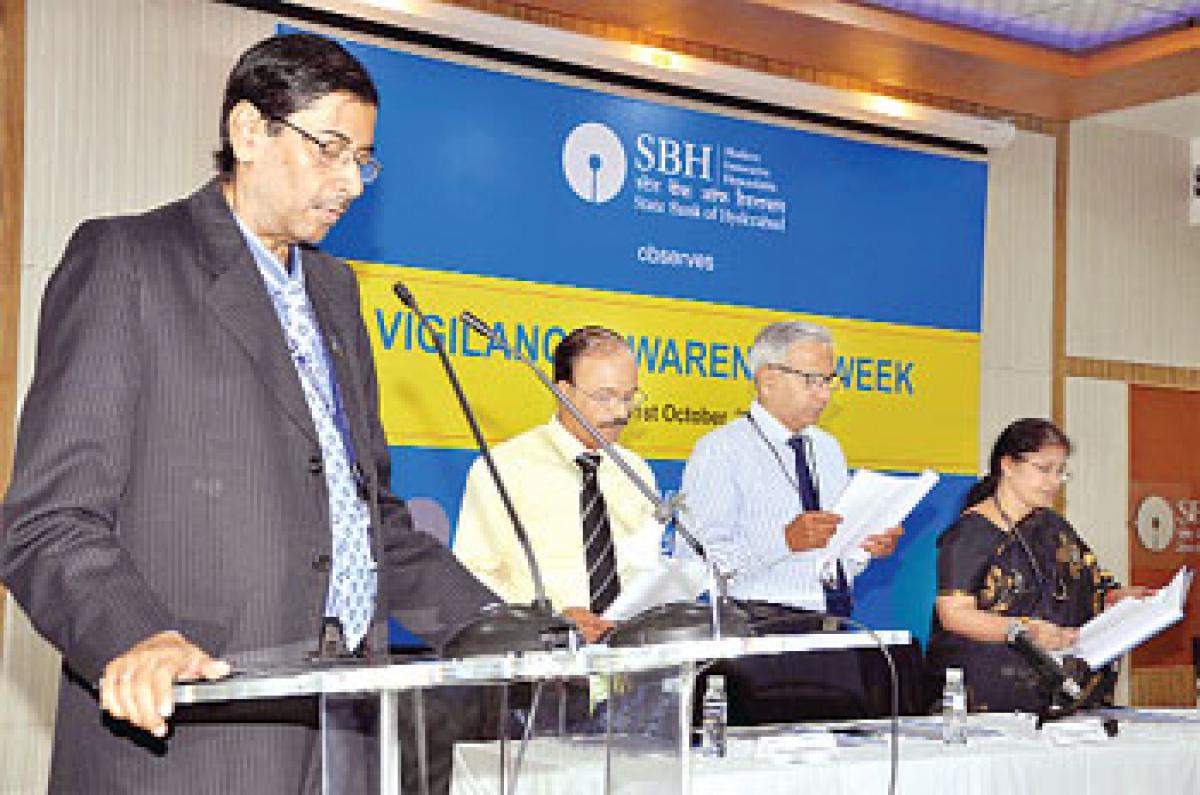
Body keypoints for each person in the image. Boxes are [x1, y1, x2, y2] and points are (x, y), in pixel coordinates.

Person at [1, 33, 495, 793]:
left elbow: (367, 523)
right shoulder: (128, 263)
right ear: (247, 131)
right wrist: (136, 637)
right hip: (192, 744)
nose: (351, 184)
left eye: (362, 159)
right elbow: (50, 520)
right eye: (329, 149)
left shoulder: (337, 295)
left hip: (345, 740)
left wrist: (498, 625)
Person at [681, 320, 903, 722]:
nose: (824, 393)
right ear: (766, 380)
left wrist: (864, 547)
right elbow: (697, 563)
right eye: (812, 380)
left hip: (833, 633)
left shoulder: (828, 449)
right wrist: (782, 541)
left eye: (829, 380)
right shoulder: (721, 451)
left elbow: (831, 556)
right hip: (758, 641)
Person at [453, 326, 663, 643]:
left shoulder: (636, 471)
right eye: (605, 397)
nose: (620, 412)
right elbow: (474, 579)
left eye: (629, 397)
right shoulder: (505, 468)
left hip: (630, 659)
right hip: (542, 660)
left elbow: (645, 568)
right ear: (563, 391)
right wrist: (548, 622)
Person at [925, 418, 1142, 712]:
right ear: (1008, 466)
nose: (1053, 482)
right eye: (1043, 469)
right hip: (986, 697)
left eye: (1060, 472)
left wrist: (1118, 598)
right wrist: (1026, 631)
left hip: (1057, 691)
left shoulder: (1053, 526)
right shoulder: (970, 534)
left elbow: (1092, 584)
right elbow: (954, 615)